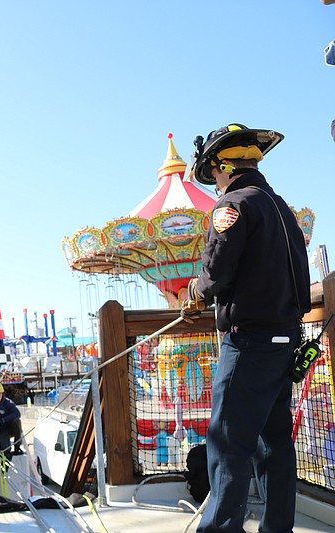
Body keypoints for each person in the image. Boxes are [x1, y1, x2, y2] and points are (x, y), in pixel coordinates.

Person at [180, 124, 311, 533]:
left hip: (249, 342)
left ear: (224, 167)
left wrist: (195, 293)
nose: (215, 184)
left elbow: (216, 271)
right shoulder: (281, 208)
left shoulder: (232, 206)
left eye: (214, 174)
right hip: (285, 340)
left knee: (228, 444)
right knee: (274, 444)